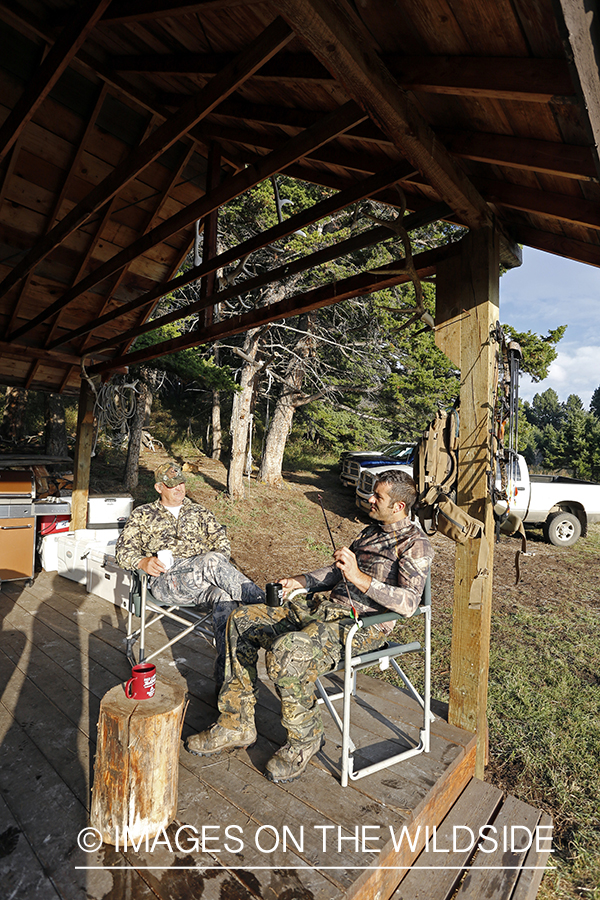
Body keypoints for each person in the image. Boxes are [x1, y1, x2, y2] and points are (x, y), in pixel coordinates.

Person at [185, 469, 434, 784]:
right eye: (373, 493)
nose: (370, 499)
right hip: (323, 612)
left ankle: (306, 739)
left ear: (398, 506)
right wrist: (300, 582)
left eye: (378, 496)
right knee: (242, 620)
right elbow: (335, 573)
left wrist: (359, 577)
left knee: (288, 651)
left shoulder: (416, 544)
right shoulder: (370, 532)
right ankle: (237, 722)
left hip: (361, 627)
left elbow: (409, 604)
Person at [115, 461, 265, 685]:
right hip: (166, 581)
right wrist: (142, 561)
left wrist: (211, 568)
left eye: (182, 483)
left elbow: (222, 544)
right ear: (159, 487)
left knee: (225, 597)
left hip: (204, 580)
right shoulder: (143, 514)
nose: (180, 488)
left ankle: (228, 681)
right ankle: (266, 604)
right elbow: (122, 552)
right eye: (173, 485)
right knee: (212, 561)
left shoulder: (200, 512)